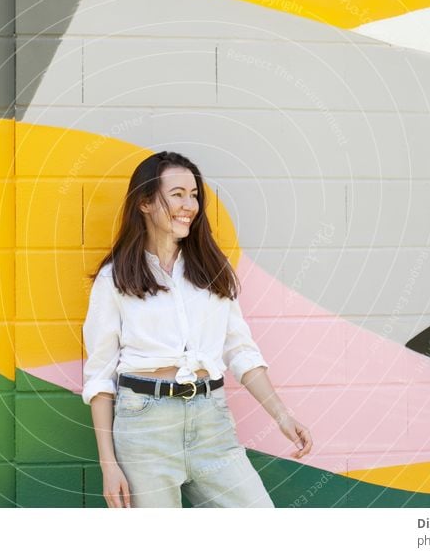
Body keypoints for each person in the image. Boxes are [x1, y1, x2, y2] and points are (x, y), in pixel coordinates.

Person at [82, 151, 313, 508]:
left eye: (194, 195)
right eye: (177, 194)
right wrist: (108, 465)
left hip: (211, 422)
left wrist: (282, 416)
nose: (189, 204)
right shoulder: (114, 279)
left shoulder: (212, 271)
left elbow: (240, 352)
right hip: (145, 428)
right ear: (145, 202)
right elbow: (99, 376)